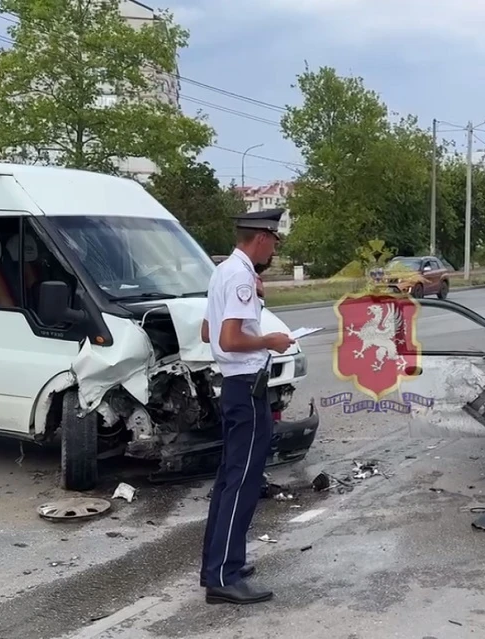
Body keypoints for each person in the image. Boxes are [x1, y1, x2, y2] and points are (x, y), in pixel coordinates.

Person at [199, 208, 295, 605]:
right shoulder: (239, 276)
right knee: (243, 482)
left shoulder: (225, 271)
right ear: (261, 237)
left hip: (234, 387)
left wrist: (254, 305)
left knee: (229, 480)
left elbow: (207, 332)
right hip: (246, 386)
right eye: (274, 240)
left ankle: (218, 563)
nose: (274, 248)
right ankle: (224, 574)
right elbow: (229, 340)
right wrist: (268, 340)